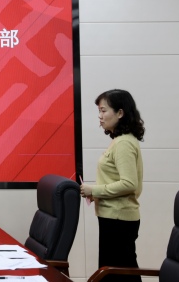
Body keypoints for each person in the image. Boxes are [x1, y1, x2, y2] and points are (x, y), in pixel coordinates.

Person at [80, 89, 144, 282]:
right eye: (99, 111)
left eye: (103, 110)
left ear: (120, 113)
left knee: (119, 274)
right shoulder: (120, 141)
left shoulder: (123, 143)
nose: (100, 116)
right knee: (116, 273)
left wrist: (94, 190)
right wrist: (97, 194)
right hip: (113, 217)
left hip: (119, 219)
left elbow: (129, 183)